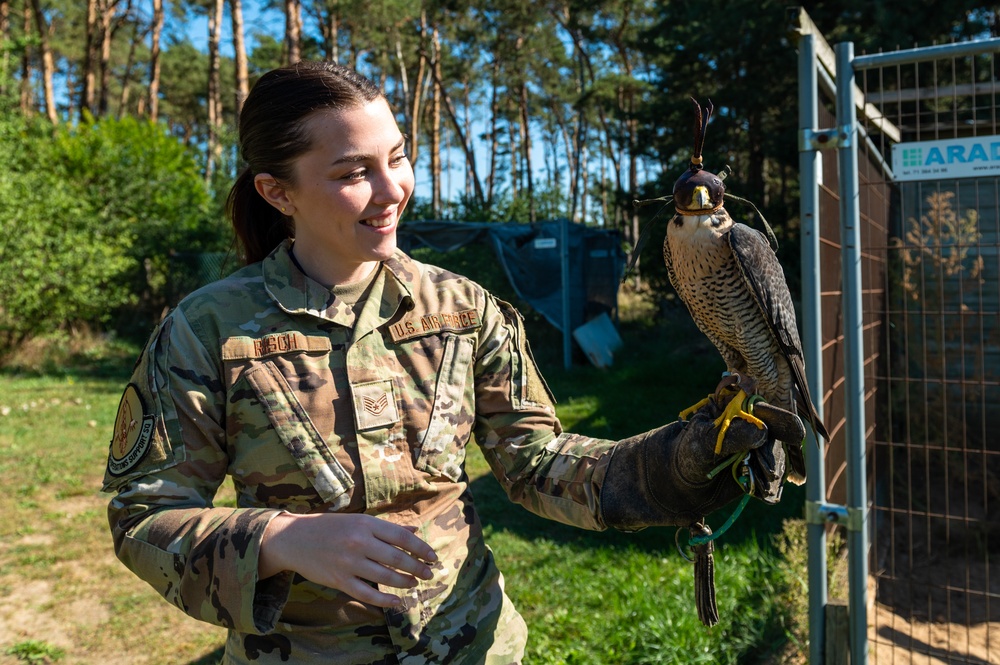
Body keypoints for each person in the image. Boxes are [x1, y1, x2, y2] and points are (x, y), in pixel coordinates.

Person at [103, 61, 803, 665]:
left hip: (476, 644)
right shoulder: (206, 330)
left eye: (397, 157)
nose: (392, 190)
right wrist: (284, 539)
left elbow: (534, 462)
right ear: (277, 191)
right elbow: (143, 518)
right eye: (354, 173)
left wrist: (665, 468)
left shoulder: (464, 309)